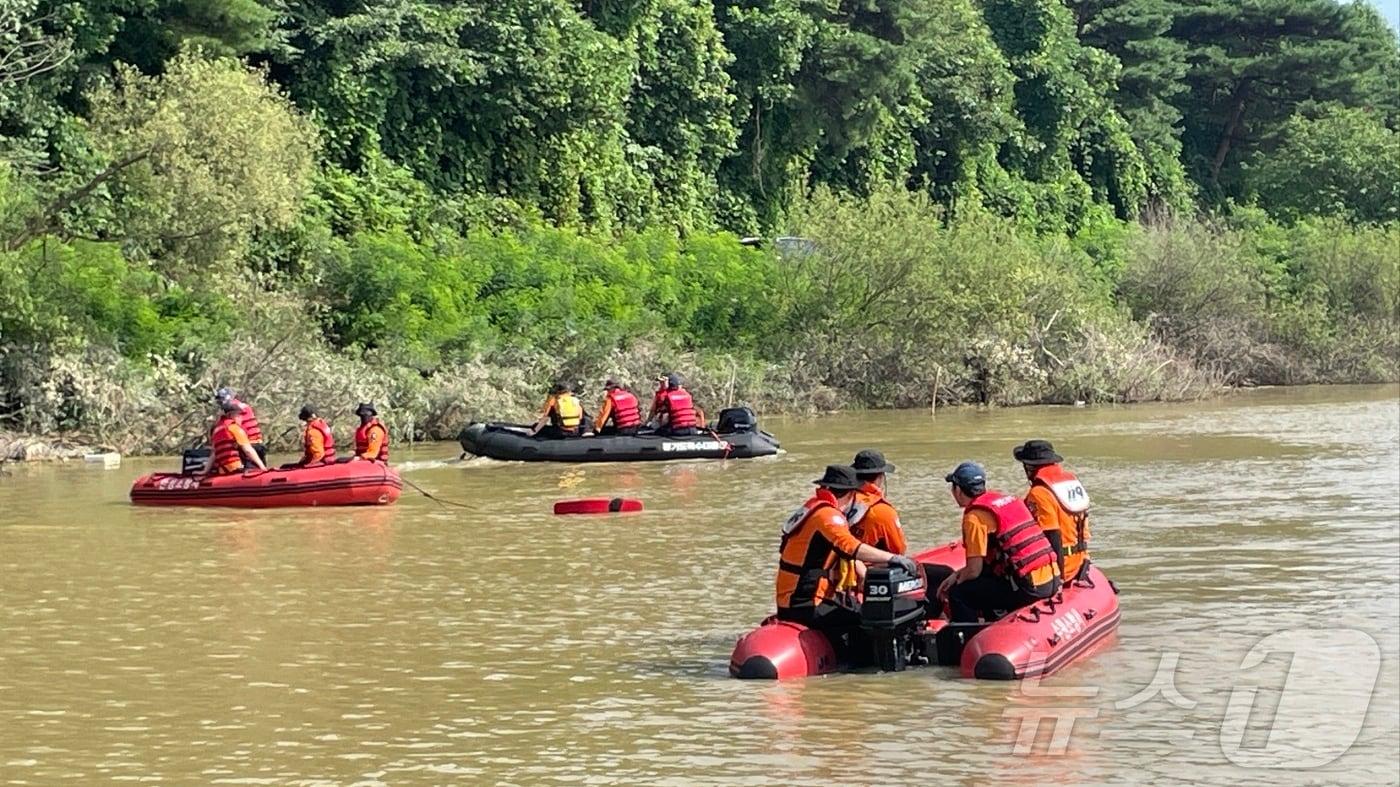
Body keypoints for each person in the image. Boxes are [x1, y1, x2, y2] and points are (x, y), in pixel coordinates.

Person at [777, 464, 918, 637]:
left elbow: (843, 551)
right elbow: (851, 547)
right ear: (851, 494)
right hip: (805, 603)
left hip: (791, 599)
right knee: (873, 622)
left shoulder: (813, 507)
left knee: (856, 609)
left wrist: (865, 576)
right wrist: (893, 558)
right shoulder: (828, 516)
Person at [937, 462, 1060, 624]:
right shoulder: (1007, 500)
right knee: (986, 579)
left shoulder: (974, 518)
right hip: (1052, 578)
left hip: (1028, 588)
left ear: (958, 490)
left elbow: (974, 571)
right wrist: (957, 574)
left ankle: (967, 634)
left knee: (958, 593)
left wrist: (954, 581)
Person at [1014, 439, 1091, 580]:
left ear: (1029, 467)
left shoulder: (1039, 493)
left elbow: (1052, 535)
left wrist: (1058, 577)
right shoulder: (1070, 481)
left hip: (1063, 566)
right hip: (1080, 562)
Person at [209, 399, 266, 475]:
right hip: (236, 468)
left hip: (223, 470)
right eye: (238, 415)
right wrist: (263, 467)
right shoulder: (234, 428)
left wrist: (204, 471)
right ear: (230, 415)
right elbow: (248, 450)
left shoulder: (216, 430)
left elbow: (214, 454)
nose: (241, 417)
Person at [215, 387, 265, 463]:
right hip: (258, 443)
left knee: (251, 468)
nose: (220, 402)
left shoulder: (234, 408)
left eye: (221, 399)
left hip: (249, 445)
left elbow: (234, 427)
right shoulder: (243, 406)